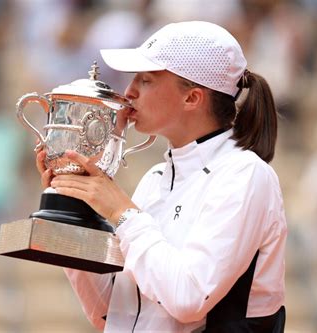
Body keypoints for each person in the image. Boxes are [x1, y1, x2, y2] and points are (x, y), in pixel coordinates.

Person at [36, 21, 287, 332]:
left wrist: (123, 213)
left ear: (192, 98)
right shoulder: (156, 177)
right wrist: (75, 207)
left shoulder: (246, 175)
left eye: (146, 80)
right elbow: (110, 314)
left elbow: (188, 298)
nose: (129, 92)